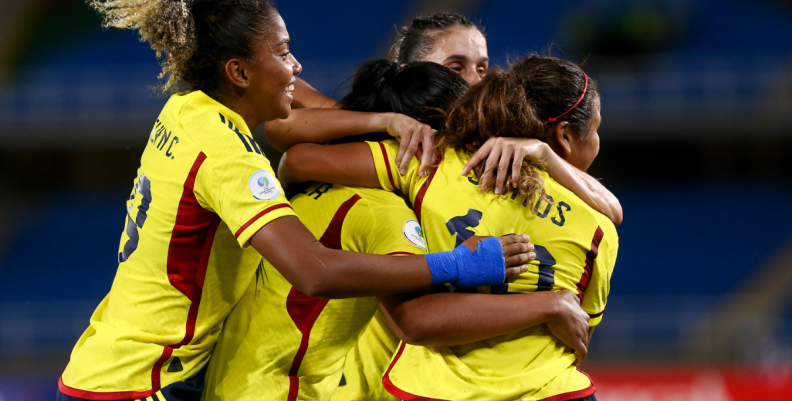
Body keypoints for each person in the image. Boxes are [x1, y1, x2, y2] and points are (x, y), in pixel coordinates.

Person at [56, 2, 533, 400]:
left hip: (111, 361)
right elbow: (316, 271)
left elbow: (298, 136)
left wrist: (383, 120)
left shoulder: (186, 111)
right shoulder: (228, 155)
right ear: (239, 72)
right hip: (147, 381)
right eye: (284, 53)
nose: (297, 66)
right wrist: (459, 264)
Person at [202, 60, 591, 401]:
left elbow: (289, 143)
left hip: (233, 378)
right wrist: (482, 274)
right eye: (459, 68)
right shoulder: (384, 213)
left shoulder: (320, 172)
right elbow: (417, 319)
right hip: (293, 392)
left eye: (482, 67)